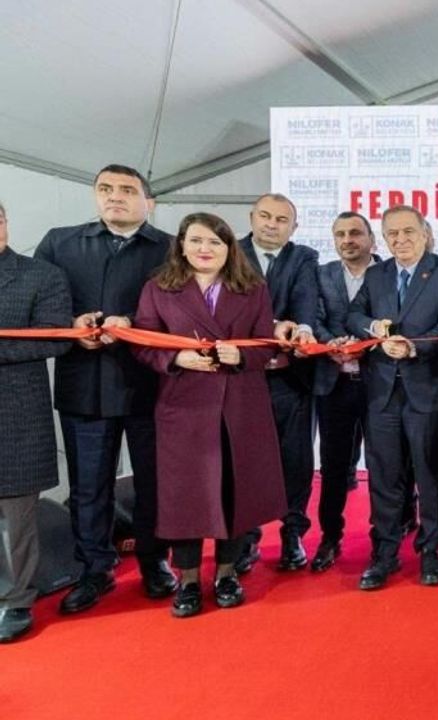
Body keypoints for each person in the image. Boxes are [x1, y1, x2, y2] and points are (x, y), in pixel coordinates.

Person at [35, 164, 178, 614]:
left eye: (127, 190)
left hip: (152, 385)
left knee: (155, 482)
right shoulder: (60, 242)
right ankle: (94, 568)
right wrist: (70, 324)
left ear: (148, 201)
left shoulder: (172, 248)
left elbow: (183, 313)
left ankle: (155, 561)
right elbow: (39, 307)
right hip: (85, 385)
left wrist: (133, 325)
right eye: (106, 188)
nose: (115, 196)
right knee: (88, 485)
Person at [131, 213, 288, 618]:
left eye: (215, 242)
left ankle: (227, 573)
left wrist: (243, 356)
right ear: (182, 245)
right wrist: (176, 358)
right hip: (183, 405)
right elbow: (143, 342)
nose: (205, 249)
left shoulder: (252, 287)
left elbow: (267, 344)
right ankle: (186, 579)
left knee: (235, 488)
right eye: (197, 240)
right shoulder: (158, 289)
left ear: (229, 249)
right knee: (186, 494)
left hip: (240, 404)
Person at [346, 205, 438, 590]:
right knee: (384, 476)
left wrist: (413, 346)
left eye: (408, 231)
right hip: (382, 393)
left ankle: (430, 550)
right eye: (392, 234)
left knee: (431, 474)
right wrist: (372, 327)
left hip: (429, 391)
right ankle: (384, 553)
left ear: (425, 232)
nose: (400, 240)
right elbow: (353, 315)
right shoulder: (377, 274)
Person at [0, 201, 73, 642]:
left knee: (17, 517)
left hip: (15, 413)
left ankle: (17, 601)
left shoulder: (40, 275)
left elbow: (55, 337)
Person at [236, 193, 319, 574]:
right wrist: (266, 333)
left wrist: (303, 331)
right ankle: (245, 538)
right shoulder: (229, 253)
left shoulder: (304, 258)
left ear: (294, 227)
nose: (272, 224)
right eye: (266, 216)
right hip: (242, 377)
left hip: (291, 376)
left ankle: (293, 534)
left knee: (296, 460)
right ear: (252, 217)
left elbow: (306, 303)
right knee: (244, 460)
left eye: (282, 219)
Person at [309, 211, 379, 572]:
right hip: (333, 382)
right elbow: (313, 318)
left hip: (379, 384)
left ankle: (384, 539)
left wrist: (366, 345)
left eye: (355, 233)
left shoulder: (388, 274)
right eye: (340, 234)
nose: (347, 240)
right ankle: (329, 538)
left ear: (371, 238)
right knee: (334, 466)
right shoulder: (321, 274)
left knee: (384, 466)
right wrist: (330, 344)